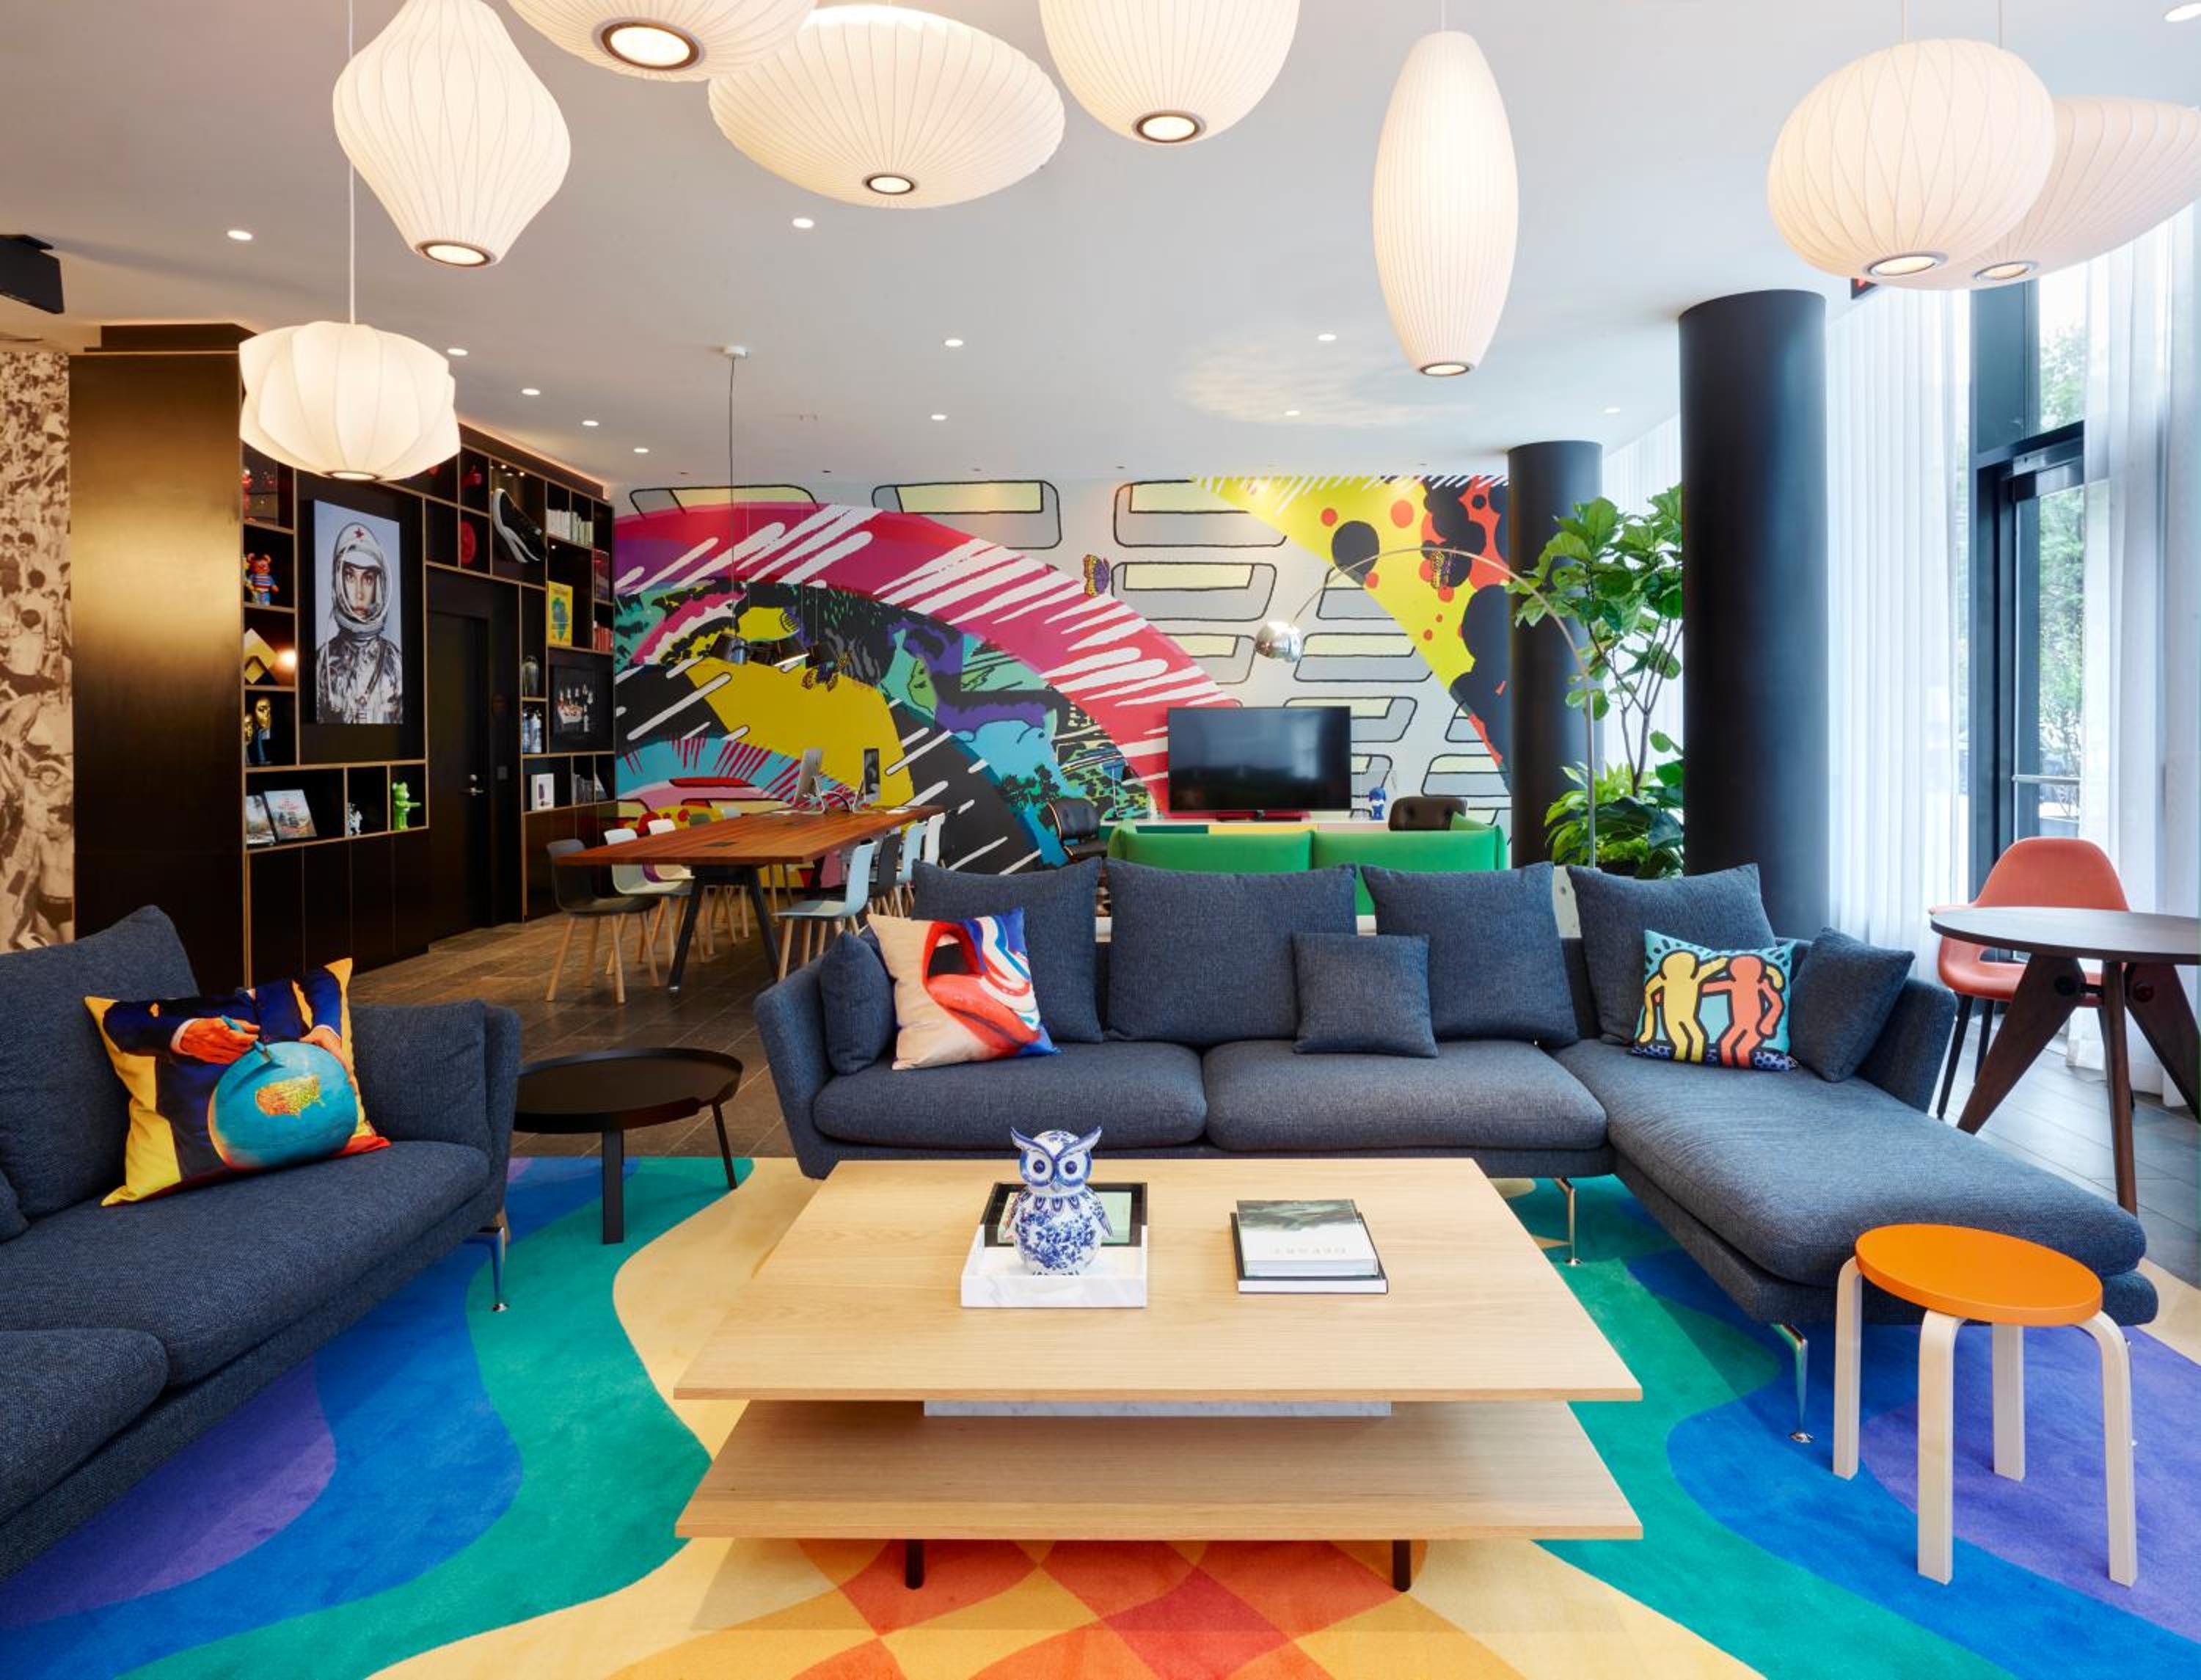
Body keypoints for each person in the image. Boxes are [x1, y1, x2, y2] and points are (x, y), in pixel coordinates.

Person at [317, 521, 403, 723]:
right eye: (349, 577)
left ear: (379, 586)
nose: (359, 593)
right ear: (338, 582)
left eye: (368, 579)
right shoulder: (323, 660)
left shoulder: (394, 660)